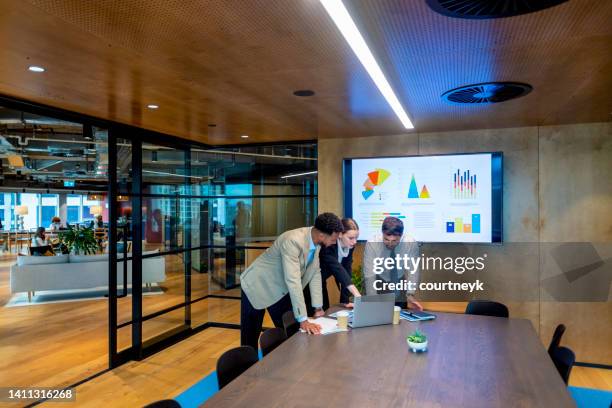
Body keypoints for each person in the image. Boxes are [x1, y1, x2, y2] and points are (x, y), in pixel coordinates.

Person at [240, 212, 344, 351]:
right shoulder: (293, 241)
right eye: (334, 238)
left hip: (280, 288)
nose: (335, 241)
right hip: (257, 285)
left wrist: (318, 308)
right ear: (322, 235)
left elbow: (315, 273)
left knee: (290, 330)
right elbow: (293, 280)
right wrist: (303, 319)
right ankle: (246, 371)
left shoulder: (317, 243)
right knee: (250, 336)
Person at [362, 216, 423, 310]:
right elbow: (369, 275)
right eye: (386, 239)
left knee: (400, 317)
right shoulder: (372, 243)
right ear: (382, 233)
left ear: (401, 236)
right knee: (376, 315)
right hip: (378, 280)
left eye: (394, 241)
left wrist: (410, 293)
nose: (390, 243)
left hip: (399, 280)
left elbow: (413, 271)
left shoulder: (410, 243)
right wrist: (373, 298)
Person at [305, 217, 362, 314]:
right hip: (309, 282)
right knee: (314, 313)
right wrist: (356, 293)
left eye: (356, 237)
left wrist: (345, 301)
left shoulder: (350, 246)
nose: (354, 241)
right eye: (351, 238)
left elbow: (346, 270)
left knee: (325, 310)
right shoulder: (328, 245)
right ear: (340, 234)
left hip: (322, 280)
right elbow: (337, 269)